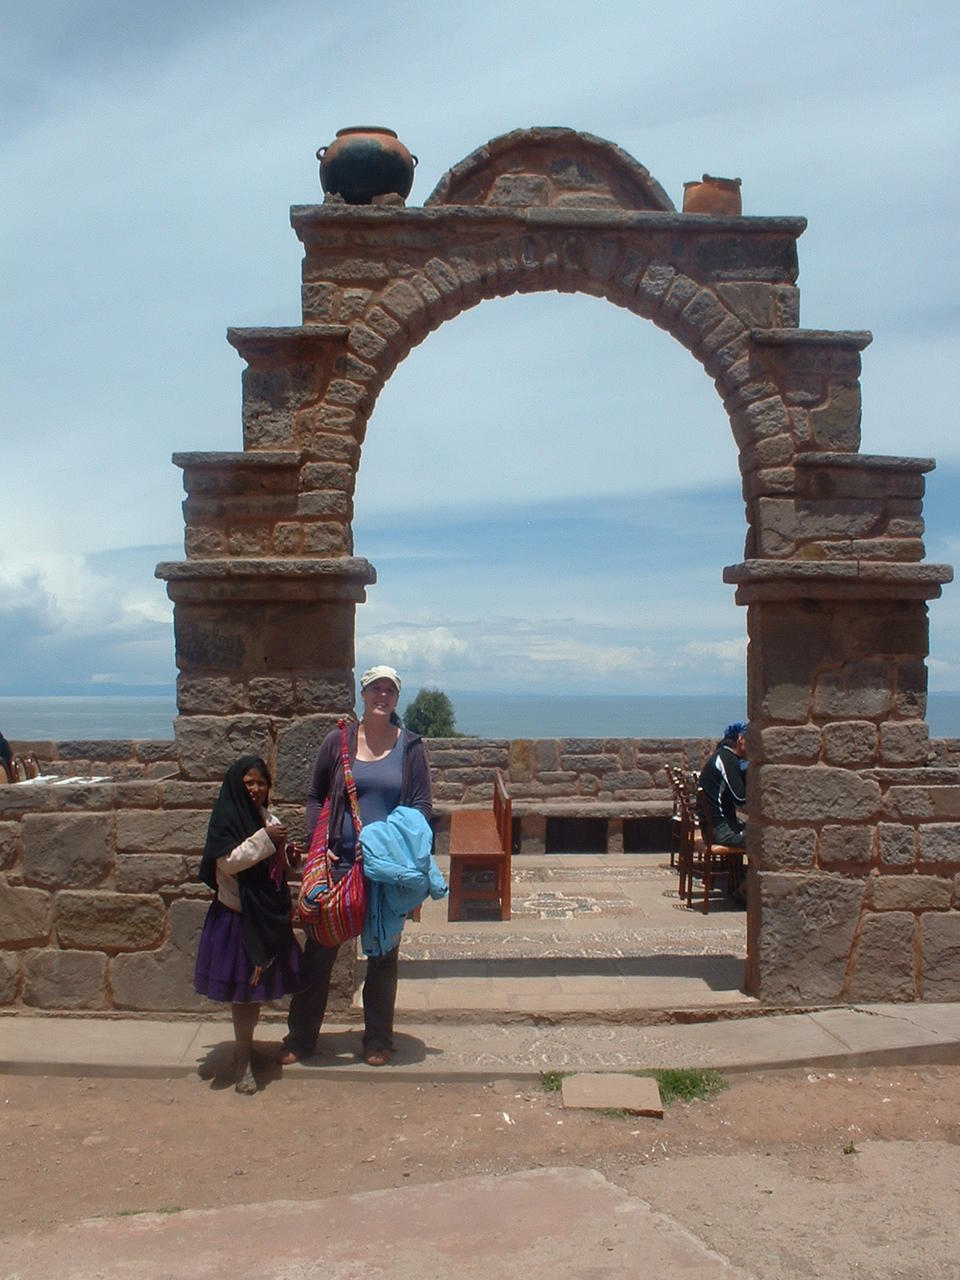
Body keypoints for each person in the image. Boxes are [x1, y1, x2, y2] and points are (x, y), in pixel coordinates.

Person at [281, 664, 433, 1068]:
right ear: (362, 695)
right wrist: (319, 845)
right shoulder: (339, 742)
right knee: (319, 953)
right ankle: (300, 1038)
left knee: (383, 956)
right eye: (375, 689)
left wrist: (394, 846)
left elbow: (421, 806)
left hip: (385, 871)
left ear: (396, 698)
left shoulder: (411, 748)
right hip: (339, 866)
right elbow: (315, 796)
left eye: (389, 690)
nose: (382, 696)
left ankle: (378, 1039)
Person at [194, 755, 302, 1094]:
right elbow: (228, 862)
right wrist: (266, 839)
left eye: (261, 783)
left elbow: (276, 870)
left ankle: (246, 1048)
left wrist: (289, 859)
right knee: (243, 995)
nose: (256, 789)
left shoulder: (269, 819)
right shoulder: (226, 820)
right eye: (249, 783)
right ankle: (243, 1059)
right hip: (237, 917)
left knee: (253, 994)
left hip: (265, 917)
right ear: (236, 786)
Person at [698, 721, 748, 849]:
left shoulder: (723, 755)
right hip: (721, 831)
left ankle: (737, 864)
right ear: (740, 739)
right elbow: (740, 798)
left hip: (712, 829)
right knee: (765, 839)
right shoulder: (727, 758)